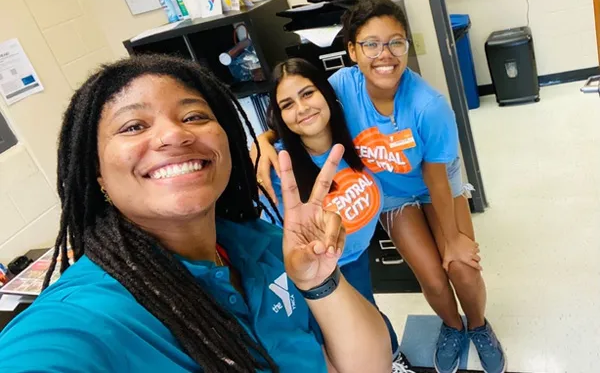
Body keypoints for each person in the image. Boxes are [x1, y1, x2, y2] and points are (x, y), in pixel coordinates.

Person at [0, 55, 393, 373]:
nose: (174, 135)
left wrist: (319, 282)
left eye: (193, 117)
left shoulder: (266, 245)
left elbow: (370, 366)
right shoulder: (83, 318)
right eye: (134, 126)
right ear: (97, 173)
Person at [252, 0, 506, 373]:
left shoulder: (428, 105)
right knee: (432, 278)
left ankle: (479, 326)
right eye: (370, 44)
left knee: (461, 266)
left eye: (395, 42)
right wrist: (262, 140)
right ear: (353, 50)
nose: (383, 54)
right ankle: (453, 327)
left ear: (406, 45)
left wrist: (452, 237)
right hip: (392, 195)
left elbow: (437, 174)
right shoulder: (341, 85)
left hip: (436, 184)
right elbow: (301, 111)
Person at [261, 58, 413, 373]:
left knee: (369, 313)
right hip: (318, 274)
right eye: (287, 104)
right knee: (340, 343)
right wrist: (260, 144)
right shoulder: (280, 171)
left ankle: (393, 356)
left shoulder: (358, 138)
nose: (301, 108)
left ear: (327, 94)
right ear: (280, 118)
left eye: (308, 93)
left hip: (355, 258)